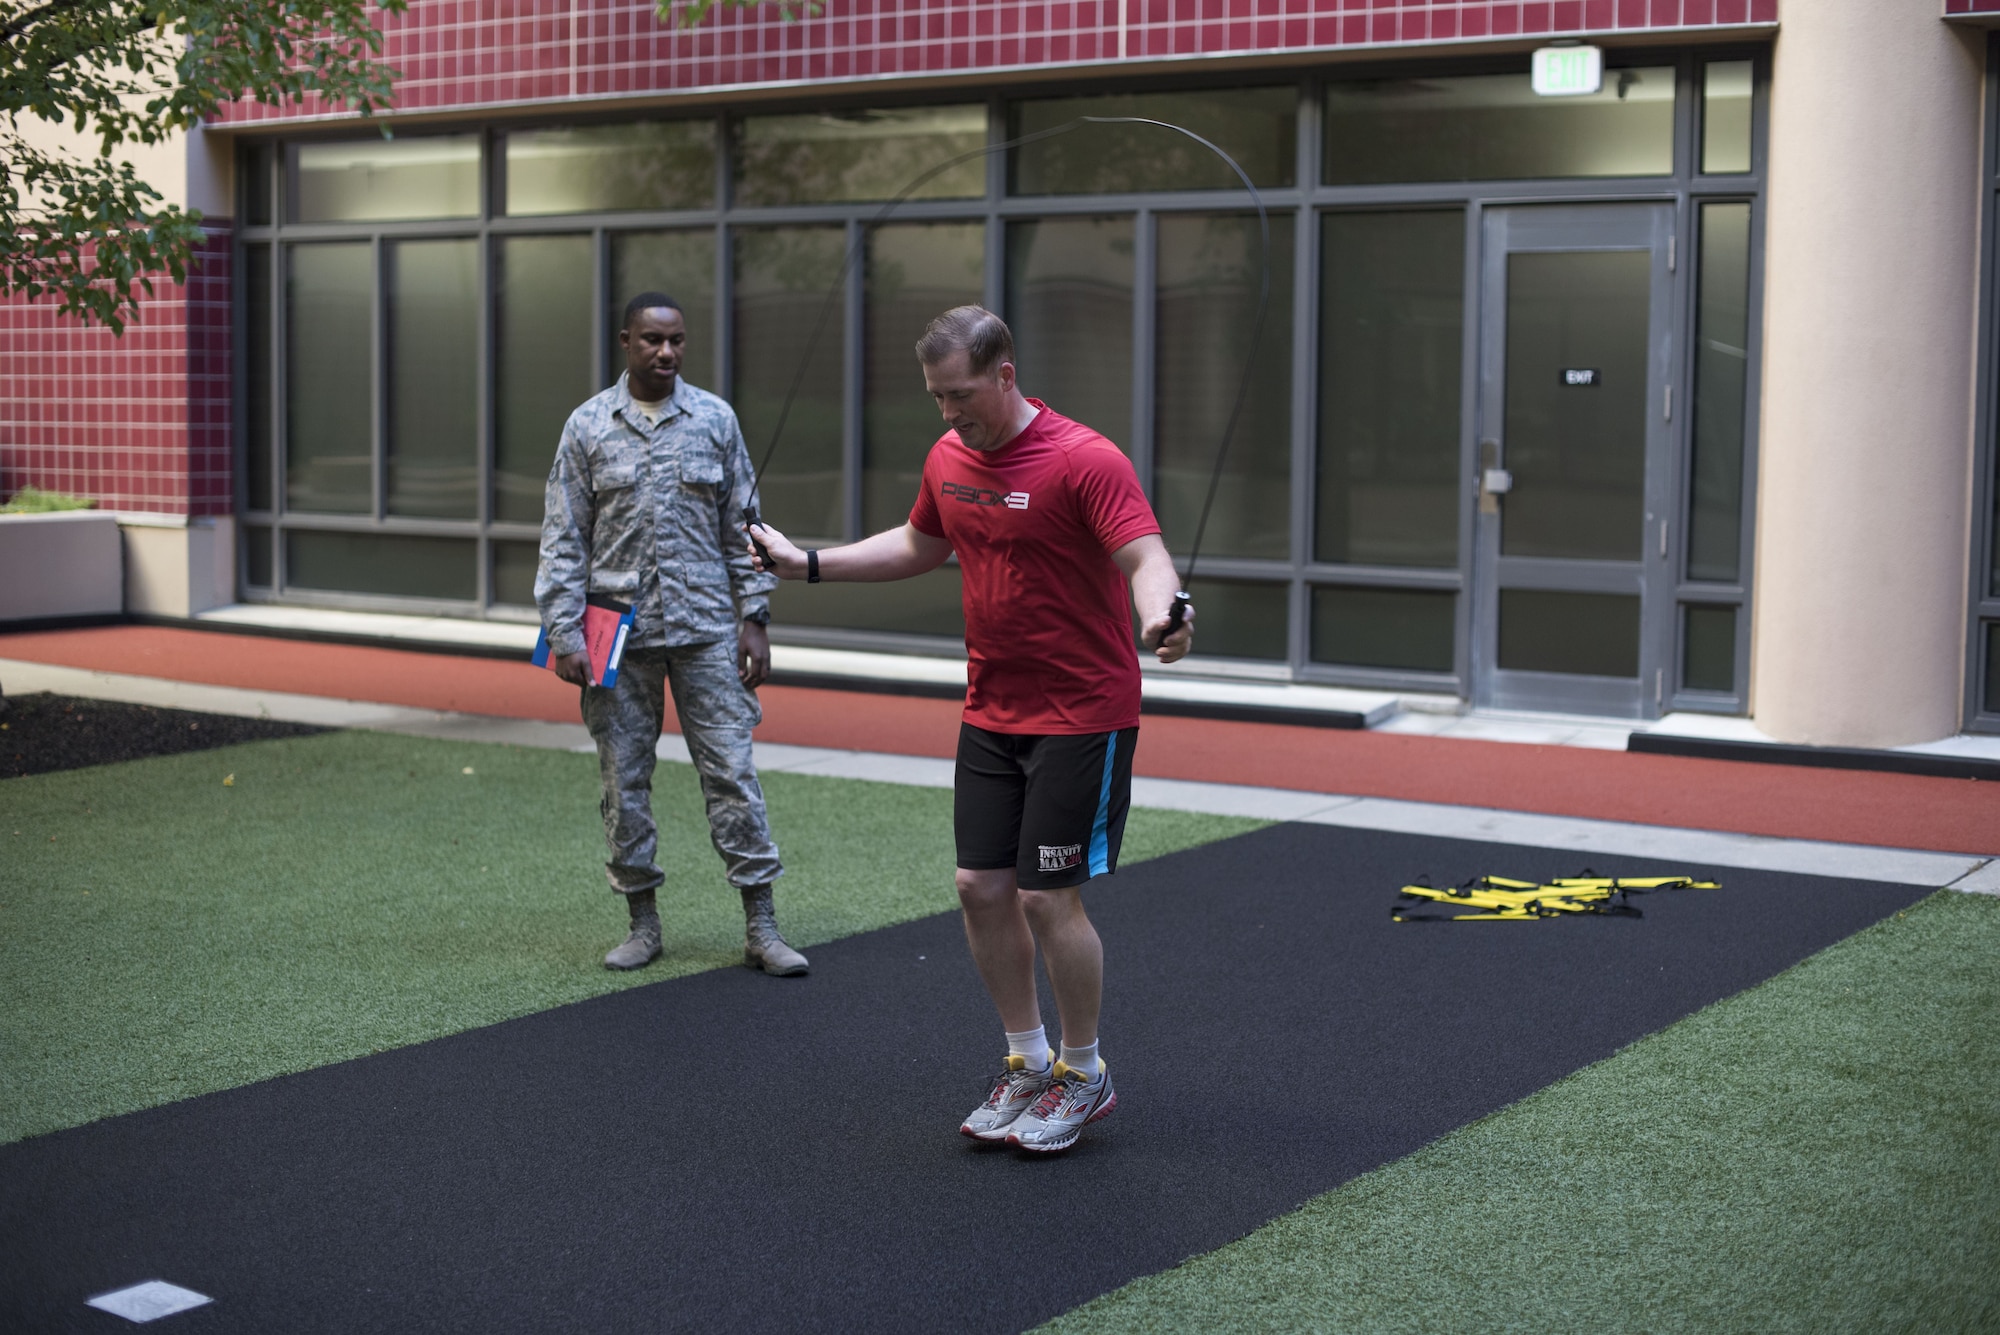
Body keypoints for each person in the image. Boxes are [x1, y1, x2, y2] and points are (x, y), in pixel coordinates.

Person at [749, 305, 1192, 1152]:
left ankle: (1083, 1071)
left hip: (1082, 710)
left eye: (961, 395)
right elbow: (920, 543)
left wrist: (1164, 615)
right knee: (979, 887)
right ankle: (1025, 1060)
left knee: (1043, 894)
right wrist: (807, 563)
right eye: (937, 398)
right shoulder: (950, 455)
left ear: (1006, 375)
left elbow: (1145, 556)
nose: (950, 414)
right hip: (993, 707)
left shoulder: (1083, 458)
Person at [536, 292, 809, 978]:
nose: (666, 351)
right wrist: (563, 630)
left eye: (677, 340)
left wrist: (756, 617)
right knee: (622, 780)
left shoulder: (715, 419)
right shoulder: (588, 426)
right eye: (653, 339)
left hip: (707, 627)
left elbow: (743, 527)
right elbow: (564, 534)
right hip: (614, 632)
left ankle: (762, 923)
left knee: (732, 774)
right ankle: (642, 921)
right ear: (626, 341)